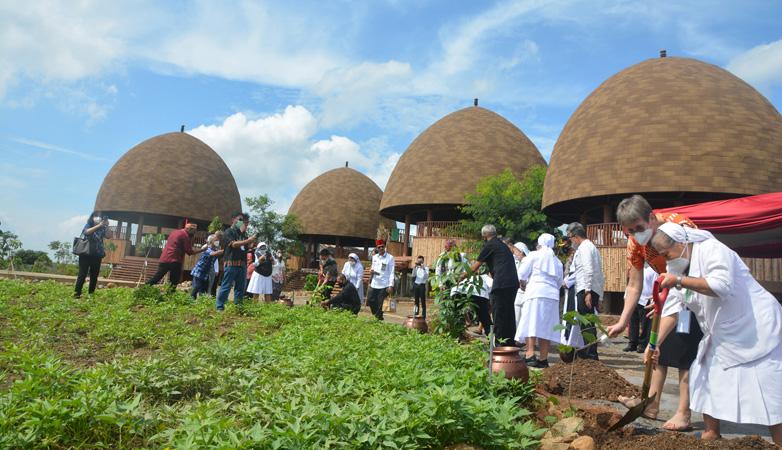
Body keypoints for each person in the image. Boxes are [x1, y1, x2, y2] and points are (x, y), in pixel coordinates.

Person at [650, 222, 782, 445]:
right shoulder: (676, 268)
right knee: (706, 378)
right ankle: (711, 434)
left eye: (666, 253)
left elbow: (721, 286)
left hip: (755, 329)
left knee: (770, 396)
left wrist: (680, 281)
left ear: (681, 243)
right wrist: (654, 344)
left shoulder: (713, 249)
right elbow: (672, 311)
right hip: (721, 334)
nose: (666, 259)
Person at [609, 194, 701, 431]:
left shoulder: (679, 225)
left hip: (692, 292)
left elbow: (695, 266)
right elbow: (634, 284)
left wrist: (673, 292)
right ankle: (651, 403)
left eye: (639, 228)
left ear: (651, 217)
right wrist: (622, 321)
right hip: (666, 294)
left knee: (685, 352)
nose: (635, 234)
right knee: (658, 351)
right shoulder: (634, 243)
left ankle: (684, 412)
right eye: (630, 231)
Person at [514, 234, 564, 368]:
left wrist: (523, 283)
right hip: (552, 296)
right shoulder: (557, 261)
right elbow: (560, 281)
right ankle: (543, 359)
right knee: (546, 326)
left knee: (531, 323)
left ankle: (530, 355)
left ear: (539, 243)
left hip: (535, 292)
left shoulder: (533, 255)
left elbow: (521, 274)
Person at [466, 225, 519, 346]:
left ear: (484, 235)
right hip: (512, 283)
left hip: (501, 283)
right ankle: (509, 342)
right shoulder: (502, 245)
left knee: (498, 313)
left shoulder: (490, 245)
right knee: (509, 312)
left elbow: (475, 267)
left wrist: (462, 276)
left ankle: (499, 343)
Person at [567, 222, 604, 360]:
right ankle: (587, 351)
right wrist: (599, 296)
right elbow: (600, 274)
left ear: (575, 236)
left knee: (586, 322)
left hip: (585, 288)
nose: (571, 241)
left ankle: (591, 354)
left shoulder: (585, 247)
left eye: (570, 238)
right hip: (589, 288)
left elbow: (589, 270)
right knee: (587, 321)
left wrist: (588, 292)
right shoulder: (591, 247)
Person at [146, 220, 205, 291]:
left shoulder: (174, 232)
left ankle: (143, 288)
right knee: (174, 281)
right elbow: (189, 252)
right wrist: (202, 249)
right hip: (175, 260)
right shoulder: (185, 236)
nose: (194, 233)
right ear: (190, 229)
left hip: (164, 259)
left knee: (157, 277)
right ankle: (169, 295)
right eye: (194, 231)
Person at [216, 212, 256, 311]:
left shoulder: (243, 234)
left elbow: (245, 248)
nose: (241, 222)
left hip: (242, 264)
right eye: (240, 220)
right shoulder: (228, 232)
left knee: (240, 288)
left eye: (243, 220)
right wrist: (248, 241)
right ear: (233, 220)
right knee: (226, 286)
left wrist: (250, 244)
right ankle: (220, 307)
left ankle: (238, 307)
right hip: (231, 263)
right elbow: (233, 244)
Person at [74, 211, 109, 298]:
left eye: (100, 217)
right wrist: (99, 225)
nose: (98, 218)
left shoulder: (103, 228)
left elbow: (109, 236)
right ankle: (77, 294)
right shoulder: (88, 225)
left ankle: (91, 294)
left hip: (97, 254)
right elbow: (86, 232)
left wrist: (106, 226)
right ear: (92, 217)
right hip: (85, 253)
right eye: (96, 216)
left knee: (94, 275)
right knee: (82, 274)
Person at [624, 263, 656, 353]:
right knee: (632, 322)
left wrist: (653, 300)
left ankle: (643, 344)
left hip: (646, 300)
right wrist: (626, 295)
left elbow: (655, 285)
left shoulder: (653, 270)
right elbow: (630, 284)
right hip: (633, 299)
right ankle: (632, 343)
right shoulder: (635, 268)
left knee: (646, 324)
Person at [190, 231, 224, 299]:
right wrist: (225, 250)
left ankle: (202, 301)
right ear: (211, 242)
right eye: (216, 240)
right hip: (200, 271)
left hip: (206, 272)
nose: (217, 242)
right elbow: (212, 254)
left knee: (204, 288)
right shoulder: (207, 247)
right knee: (196, 287)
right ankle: (191, 299)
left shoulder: (215, 249)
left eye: (218, 240)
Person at [367, 239, 394, 320]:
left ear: (385, 247)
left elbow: (391, 272)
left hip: (384, 284)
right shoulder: (374, 257)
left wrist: (390, 285)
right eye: (379, 247)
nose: (381, 248)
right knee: (370, 300)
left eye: (382, 246)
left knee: (380, 303)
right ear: (377, 248)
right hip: (374, 283)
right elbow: (373, 267)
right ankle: (377, 315)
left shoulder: (390, 258)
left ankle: (378, 318)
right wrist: (371, 271)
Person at [511, 242, 530, 329]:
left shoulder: (526, 261)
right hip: (521, 291)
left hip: (524, 291)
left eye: (515, 251)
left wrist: (522, 286)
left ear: (521, 252)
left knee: (520, 316)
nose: (514, 254)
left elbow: (522, 277)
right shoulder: (521, 262)